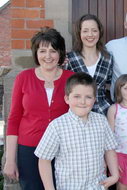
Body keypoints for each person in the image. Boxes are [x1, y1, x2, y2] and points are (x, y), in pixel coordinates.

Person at [3, 27, 74, 189]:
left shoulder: (71, 79)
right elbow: (14, 120)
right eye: (42, 51)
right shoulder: (23, 78)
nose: (48, 56)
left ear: (60, 53)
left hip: (63, 150)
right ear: (36, 53)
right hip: (29, 150)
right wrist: (10, 159)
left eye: (53, 51)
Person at [34, 72, 119, 190]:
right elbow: (44, 160)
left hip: (97, 186)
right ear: (67, 98)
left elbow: (109, 149)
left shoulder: (101, 121)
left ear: (94, 99)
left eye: (88, 97)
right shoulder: (57, 126)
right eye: (77, 96)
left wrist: (115, 175)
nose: (82, 102)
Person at [65, 14, 113, 115]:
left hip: (103, 113)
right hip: (77, 113)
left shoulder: (107, 58)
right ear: (79, 33)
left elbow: (109, 84)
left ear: (99, 32)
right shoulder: (69, 58)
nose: (90, 34)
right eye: (85, 31)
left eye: (94, 30)